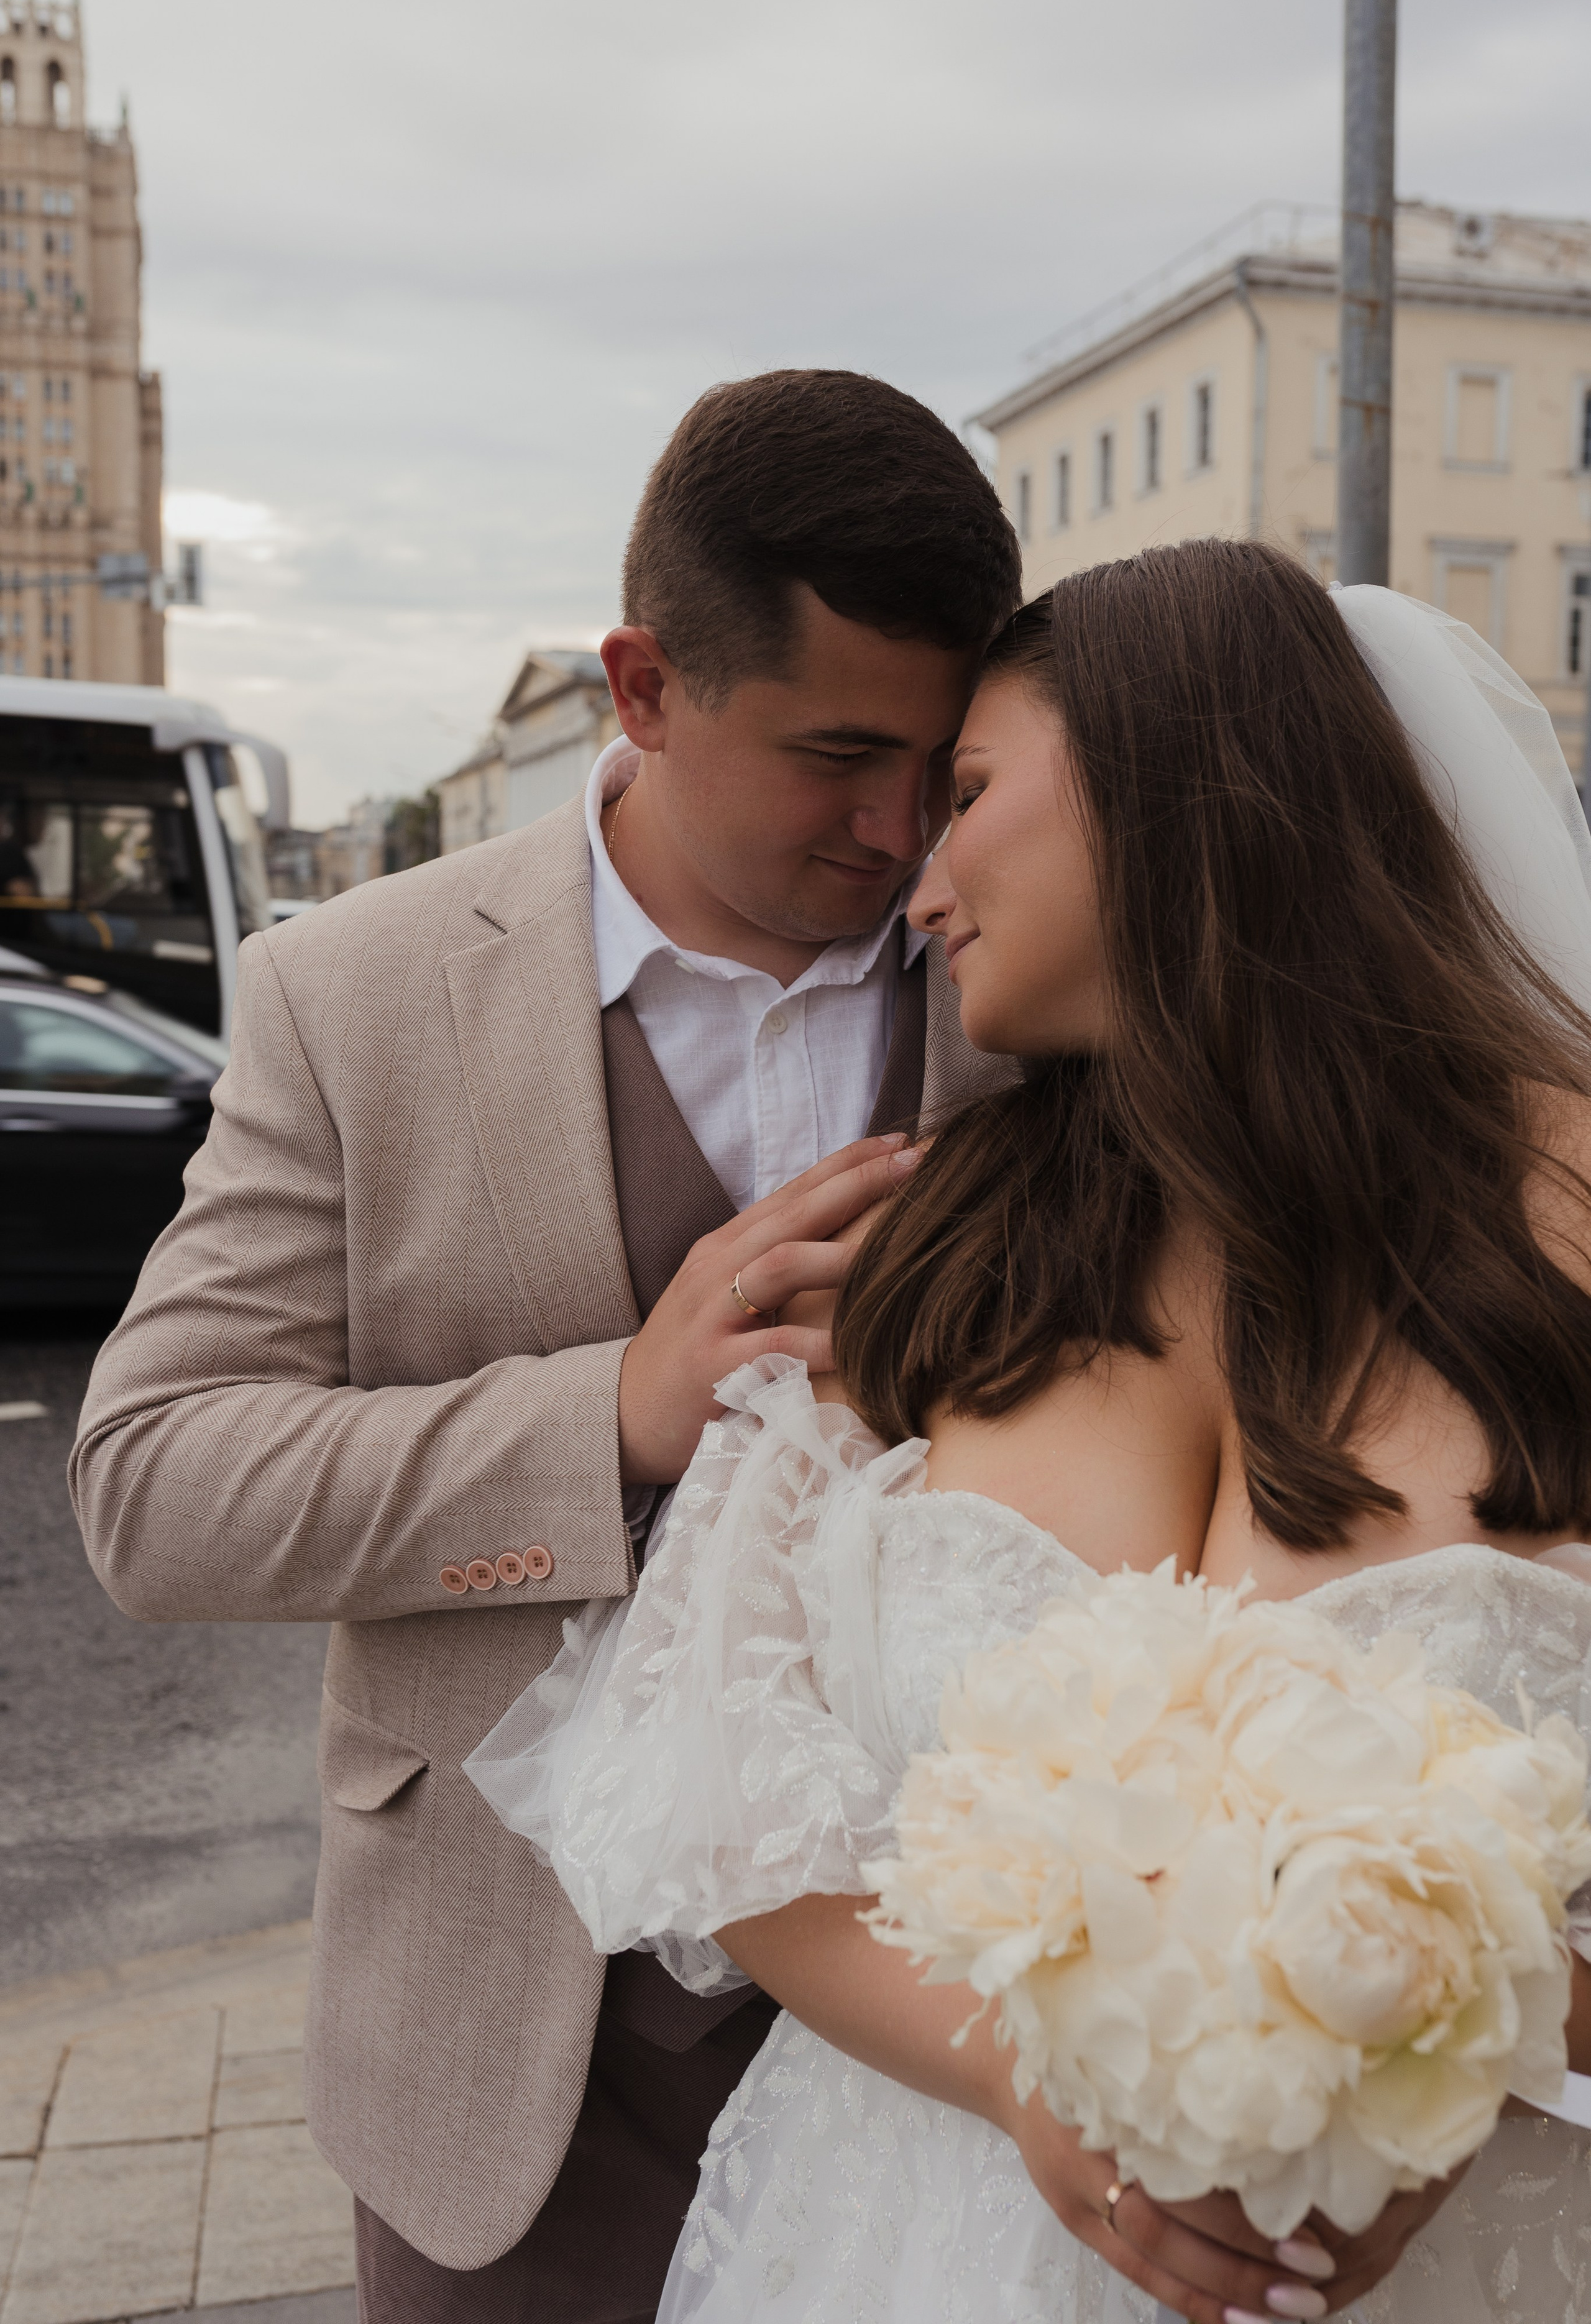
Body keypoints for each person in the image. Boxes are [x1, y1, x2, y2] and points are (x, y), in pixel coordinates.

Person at [470, 540, 1591, 2323]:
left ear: (1174, 784)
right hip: (925, 2234)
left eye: (968, 796)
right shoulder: (936, 1254)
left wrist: (1437, 2068)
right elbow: (729, 1809)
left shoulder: (1574, 1212)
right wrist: (1023, 2076)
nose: (917, 889)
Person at [68, 367, 1024, 2321]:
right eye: (840, 752)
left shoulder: (1045, 974)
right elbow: (152, 1486)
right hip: (517, 2062)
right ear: (647, 687)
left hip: (970, 2017)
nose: (901, 823)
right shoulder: (354, 996)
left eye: (946, 758)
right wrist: (615, 1412)